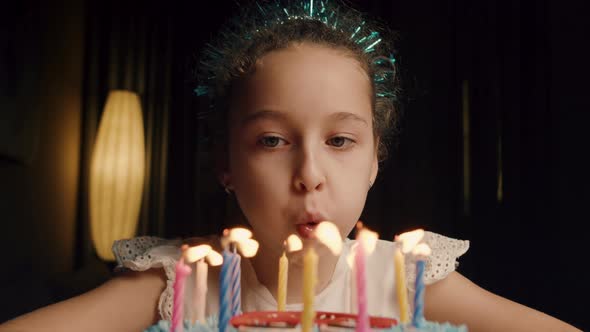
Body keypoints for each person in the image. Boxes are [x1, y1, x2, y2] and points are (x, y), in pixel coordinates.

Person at [0, 1, 581, 331]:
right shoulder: (181, 281)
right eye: (273, 140)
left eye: (340, 140)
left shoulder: (404, 277)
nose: (310, 173)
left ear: (376, 159)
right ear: (226, 163)